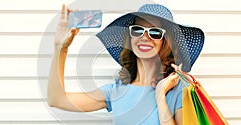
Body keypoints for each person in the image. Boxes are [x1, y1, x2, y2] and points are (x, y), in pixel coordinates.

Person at [47, 3, 204, 125]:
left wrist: (161, 96)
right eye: (138, 30)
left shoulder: (179, 89)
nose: (144, 37)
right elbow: (56, 99)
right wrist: (61, 48)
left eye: (155, 32)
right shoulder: (116, 90)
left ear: (166, 42)